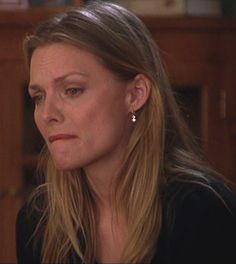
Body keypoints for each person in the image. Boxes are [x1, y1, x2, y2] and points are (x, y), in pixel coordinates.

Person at [16, 1, 236, 264]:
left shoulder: (201, 211)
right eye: (38, 97)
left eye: (72, 90)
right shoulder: (38, 218)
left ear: (135, 94)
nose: (47, 114)